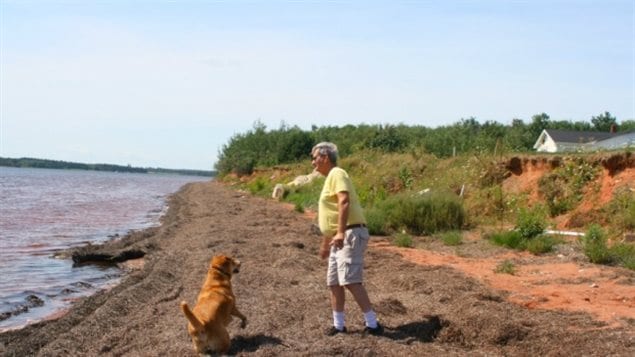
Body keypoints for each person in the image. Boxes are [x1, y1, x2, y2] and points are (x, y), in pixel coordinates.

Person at [311, 142, 383, 336]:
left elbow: (344, 201)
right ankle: (339, 325)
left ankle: (373, 324)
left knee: (350, 281)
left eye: (314, 157)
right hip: (339, 237)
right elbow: (332, 215)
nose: (312, 163)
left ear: (325, 157)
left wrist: (341, 233)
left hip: (350, 234)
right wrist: (326, 243)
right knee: (334, 283)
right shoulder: (329, 178)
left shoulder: (337, 173)